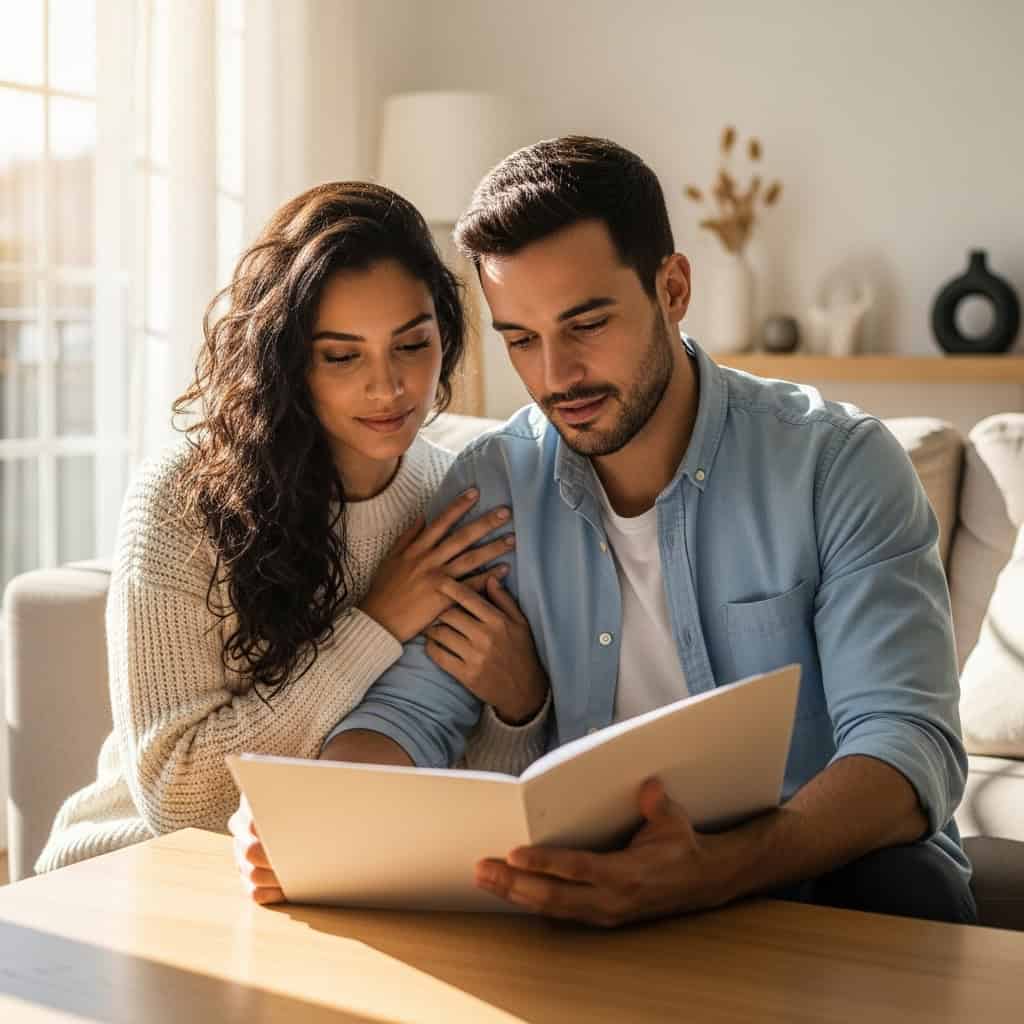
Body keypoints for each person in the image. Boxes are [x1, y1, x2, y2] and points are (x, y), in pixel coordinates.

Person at [237, 138, 976, 927]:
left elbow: (905, 745)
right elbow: (410, 717)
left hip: (818, 873)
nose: (556, 375)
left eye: (586, 324)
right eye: (520, 338)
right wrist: (318, 818)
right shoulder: (494, 487)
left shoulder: (837, 464)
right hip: (591, 892)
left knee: (909, 888)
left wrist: (713, 872)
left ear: (674, 288)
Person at [36, 182, 551, 876]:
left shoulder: (454, 497)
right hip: (134, 870)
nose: (389, 386)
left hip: (338, 872)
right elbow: (178, 799)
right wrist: (376, 624)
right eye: (343, 355)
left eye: (412, 344)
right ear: (289, 360)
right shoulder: (181, 500)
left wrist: (519, 707)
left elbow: (458, 782)